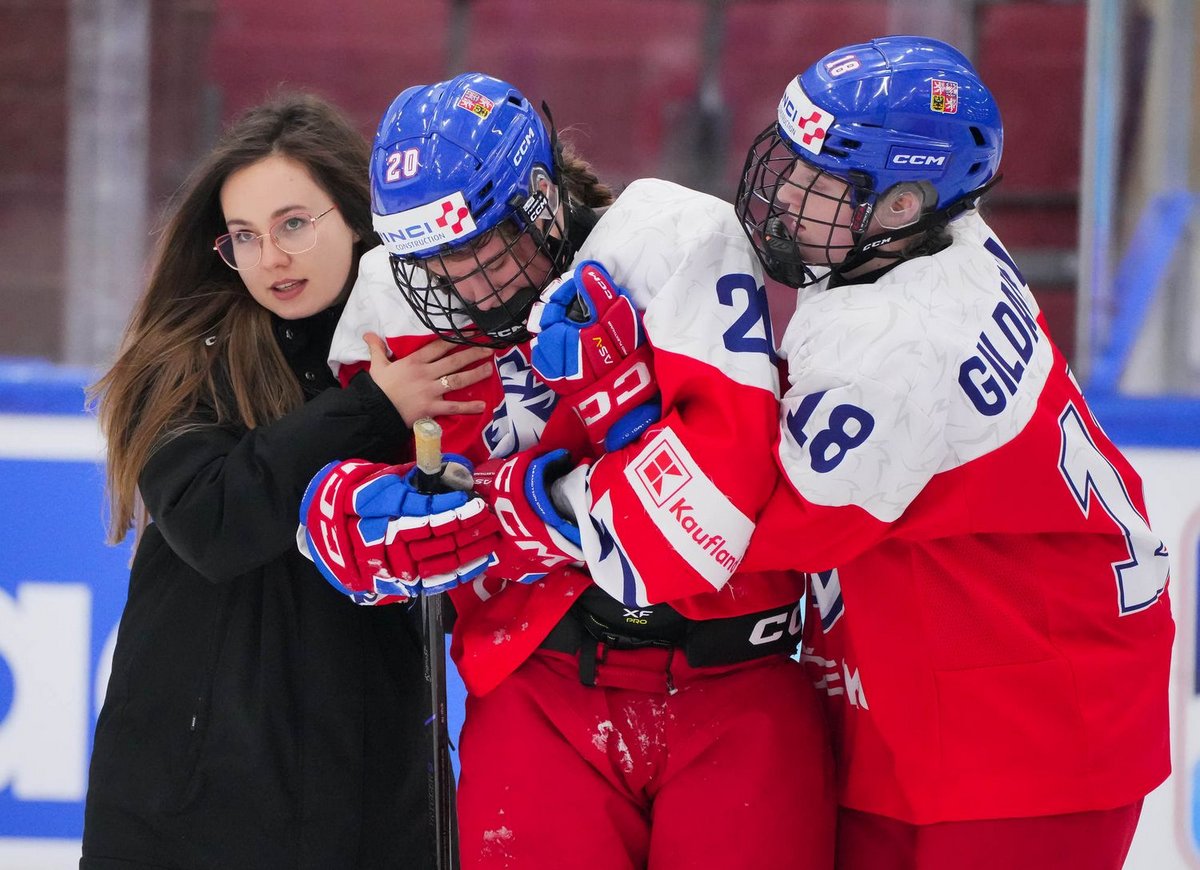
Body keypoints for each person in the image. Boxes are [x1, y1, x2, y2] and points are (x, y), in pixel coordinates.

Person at [300, 72, 834, 869]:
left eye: (485, 246)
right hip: (536, 689)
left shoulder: (672, 242)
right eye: (437, 263)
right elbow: (373, 500)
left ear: (542, 199)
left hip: (741, 686)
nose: (469, 285)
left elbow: (706, 522)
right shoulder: (396, 303)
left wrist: (496, 515)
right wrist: (343, 516)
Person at [732, 35, 1174, 870]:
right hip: (960, 686)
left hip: (1026, 732)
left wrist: (573, 491)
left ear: (901, 205)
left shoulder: (898, 341)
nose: (785, 194)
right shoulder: (936, 239)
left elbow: (754, 526)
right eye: (788, 160)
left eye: (819, 181)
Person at [81, 91, 495, 870]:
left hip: (371, 786)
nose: (270, 257)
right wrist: (373, 407)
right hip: (194, 795)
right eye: (245, 236)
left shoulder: (430, 347)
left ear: (354, 216)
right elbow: (215, 520)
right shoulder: (182, 356)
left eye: (294, 224)